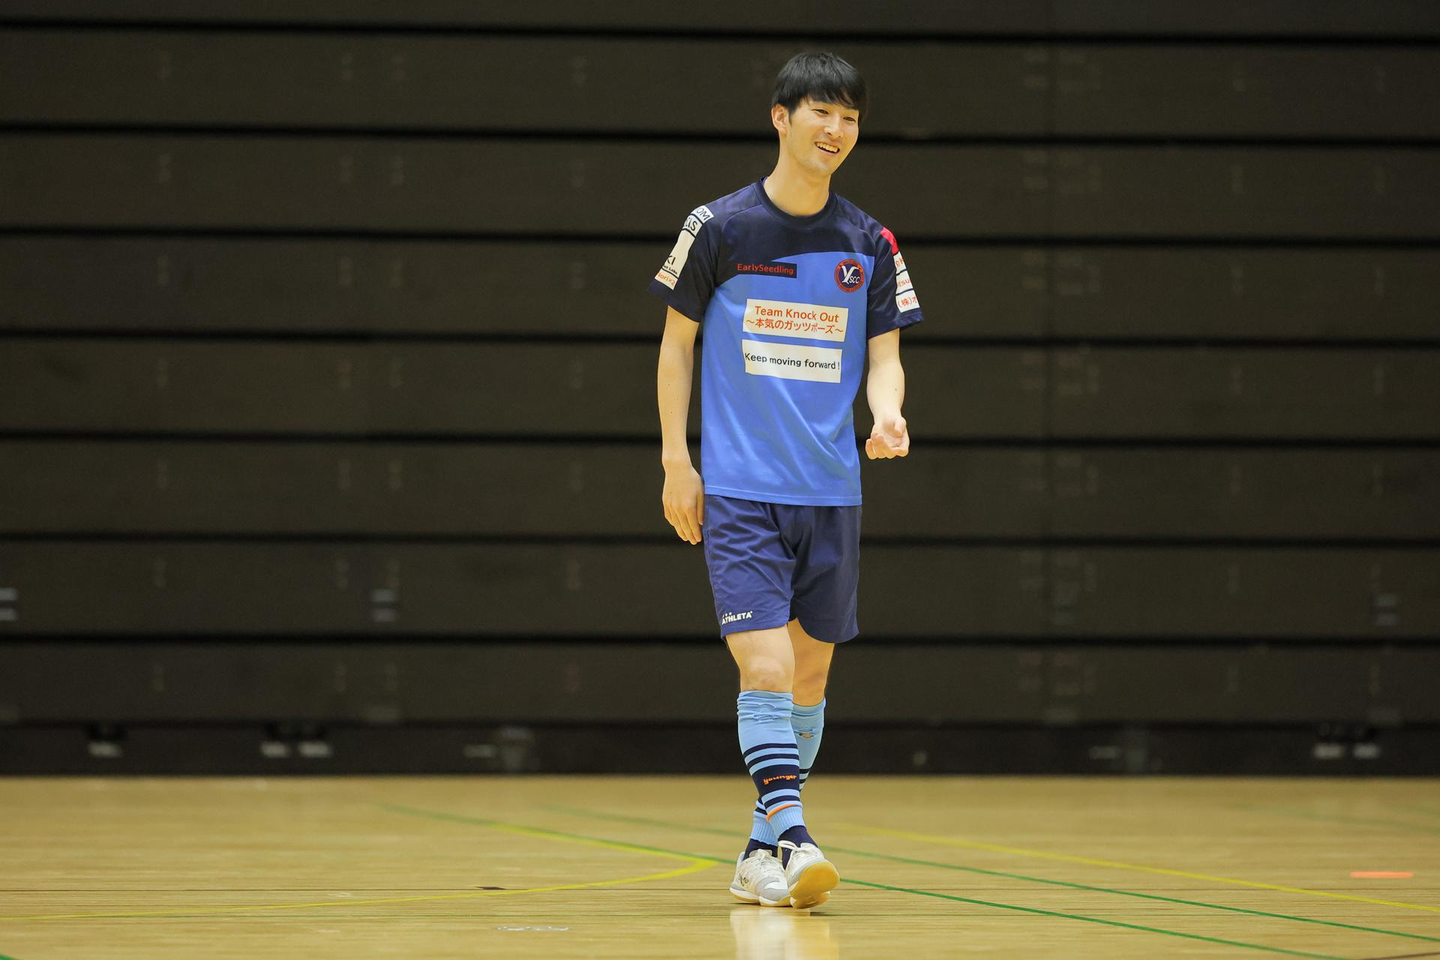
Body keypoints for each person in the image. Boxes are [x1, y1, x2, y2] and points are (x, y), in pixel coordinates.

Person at [651, 51, 922, 909]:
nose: (835, 130)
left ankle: (756, 853)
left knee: (807, 683)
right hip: (740, 490)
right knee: (764, 669)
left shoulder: (870, 242)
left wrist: (887, 413)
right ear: (782, 117)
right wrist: (677, 460)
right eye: (820, 112)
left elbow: (885, 357)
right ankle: (797, 838)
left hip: (831, 493)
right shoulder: (718, 227)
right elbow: (676, 346)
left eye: (850, 117)